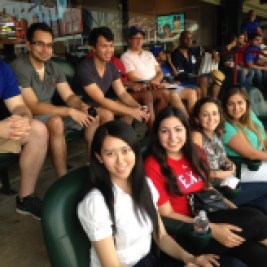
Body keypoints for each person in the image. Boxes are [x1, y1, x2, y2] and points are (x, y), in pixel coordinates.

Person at [78, 120, 219, 267]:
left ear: (135, 151)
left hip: (149, 261)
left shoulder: (145, 185)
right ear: (99, 158)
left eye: (125, 151)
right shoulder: (96, 203)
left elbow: (161, 236)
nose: (120, 160)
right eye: (110, 154)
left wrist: (190, 259)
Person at [144, 106, 267, 266]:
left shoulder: (194, 151)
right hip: (186, 234)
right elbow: (167, 214)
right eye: (165, 131)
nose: (173, 137)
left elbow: (206, 187)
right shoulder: (152, 165)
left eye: (178, 129)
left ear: (186, 130)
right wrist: (212, 229)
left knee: (258, 254)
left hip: (208, 215)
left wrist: (231, 207)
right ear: (157, 134)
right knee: (256, 218)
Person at [10, 23, 98, 177]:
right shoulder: (19, 67)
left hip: (50, 112)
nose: (45, 50)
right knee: (56, 122)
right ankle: (62, 178)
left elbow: (69, 96)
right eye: (40, 44)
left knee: (94, 115)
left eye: (49, 45)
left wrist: (82, 106)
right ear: (28, 45)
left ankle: (93, 168)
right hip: (27, 116)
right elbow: (32, 106)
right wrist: (69, 111)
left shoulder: (53, 67)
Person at [190, 97, 267, 213]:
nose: (211, 118)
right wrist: (224, 173)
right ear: (197, 118)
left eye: (214, 114)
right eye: (205, 115)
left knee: (263, 203)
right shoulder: (197, 136)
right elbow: (197, 173)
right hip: (213, 194)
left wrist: (229, 162)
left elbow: (221, 156)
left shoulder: (215, 133)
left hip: (229, 185)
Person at [75, 26, 150, 129]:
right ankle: (103, 143)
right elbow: (101, 99)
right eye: (104, 46)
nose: (109, 50)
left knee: (129, 111)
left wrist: (138, 107)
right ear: (93, 48)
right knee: (108, 114)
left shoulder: (111, 66)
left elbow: (122, 93)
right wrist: (132, 111)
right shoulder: (84, 68)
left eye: (111, 46)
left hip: (98, 105)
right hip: (82, 108)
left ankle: (120, 139)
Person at [0, 59, 48, 220]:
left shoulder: (2, 68)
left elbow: (18, 105)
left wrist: (22, 119)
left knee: (37, 130)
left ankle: (25, 199)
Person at [121, 26, 189, 116]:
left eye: (141, 38)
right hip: (144, 88)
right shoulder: (126, 56)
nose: (139, 41)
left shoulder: (148, 54)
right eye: (136, 38)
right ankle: (187, 124)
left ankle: (195, 121)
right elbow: (133, 78)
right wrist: (153, 83)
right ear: (129, 40)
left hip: (158, 84)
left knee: (192, 92)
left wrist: (156, 80)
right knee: (170, 94)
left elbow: (159, 72)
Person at [222, 86, 267, 183]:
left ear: (246, 103)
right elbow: (252, 154)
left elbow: (264, 137)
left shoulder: (249, 114)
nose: (236, 108)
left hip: (261, 160)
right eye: (231, 104)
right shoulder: (225, 126)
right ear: (225, 106)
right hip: (243, 167)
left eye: (240, 103)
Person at [151, 46, 197, 112]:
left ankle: (193, 117)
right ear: (156, 55)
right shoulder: (152, 68)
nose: (165, 54)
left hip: (172, 86)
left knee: (193, 92)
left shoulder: (165, 66)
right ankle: (186, 119)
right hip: (163, 88)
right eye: (162, 53)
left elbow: (175, 75)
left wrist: (170, 62)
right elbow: (155, 82)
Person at [171, 30, 208, 98]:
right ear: (181, 40)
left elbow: (205, 48)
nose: (189, 41)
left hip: (194, 78)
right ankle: (205, 102)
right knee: (203, 79)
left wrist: (213, 51)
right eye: (186, 38)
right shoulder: (176, 54)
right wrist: (195, 76)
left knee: (215, 79)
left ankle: (206, 103)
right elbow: (180, 74)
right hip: (183, 80)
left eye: (191, 38)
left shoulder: (191, 50)